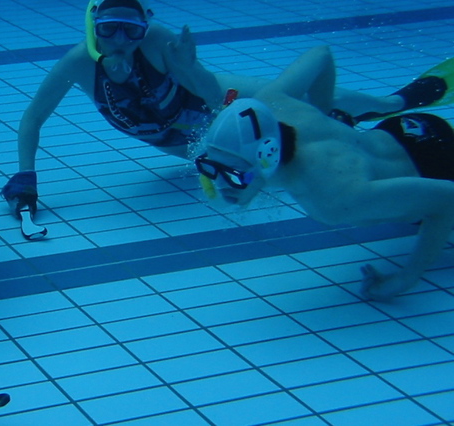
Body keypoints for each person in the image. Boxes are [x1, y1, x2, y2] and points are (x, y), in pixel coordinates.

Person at [0, 0, 445, 230]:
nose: (121, 40)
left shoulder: (155, 40)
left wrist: (190, 69)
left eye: (130, 29)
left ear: (144, 25)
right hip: (179, 137)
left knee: (303, 104)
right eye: (108, 29)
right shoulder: (77, 64)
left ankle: (393, 104)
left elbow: (213, 96)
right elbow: (32, 118)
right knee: (283, 151)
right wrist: (26, 176)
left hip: (212, 102)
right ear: (92, 27)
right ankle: (355, 135)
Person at [195, 45, 454, 301]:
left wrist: (406, 278)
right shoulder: (268, 107)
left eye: (234, 176)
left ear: (268, 157)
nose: (219, 185)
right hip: (402, 130)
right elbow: (321, 54)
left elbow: (447, 198)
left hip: (438, 168)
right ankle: (390, 103)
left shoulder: (333, 199)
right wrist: (323, 111)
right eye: (210, 168)